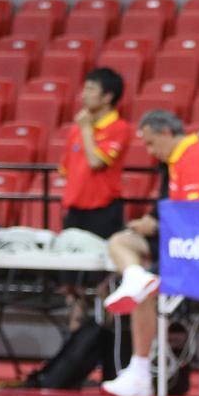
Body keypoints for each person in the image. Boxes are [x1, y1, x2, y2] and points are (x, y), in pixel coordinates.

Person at [101, 109, 199, 396]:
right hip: (176, 241)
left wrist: (155, 225)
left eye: (150, 143)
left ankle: (140, 369)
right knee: (121, 243)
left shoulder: (194, 155)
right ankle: (134, 277)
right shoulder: (174, 160)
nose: (149, 151)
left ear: (166, 133)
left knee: (144, 290)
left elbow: (194, 217)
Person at [58, 67, 132, 330]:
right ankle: (75, 341)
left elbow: (95, 161)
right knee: (71, 285)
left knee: (104, 281)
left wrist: (87, 130)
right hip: (75, 212)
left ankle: (109, 339)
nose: (83, 95)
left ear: (108, 96)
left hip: (103, 212)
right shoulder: (77, 129)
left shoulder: (119, 128)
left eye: (91, 89)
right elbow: (67, 169)